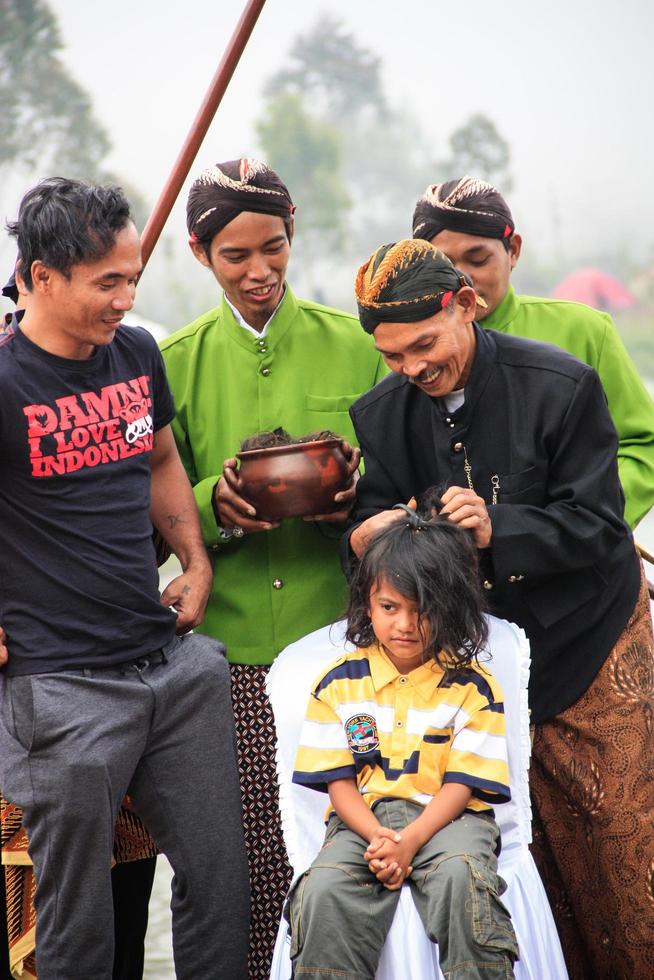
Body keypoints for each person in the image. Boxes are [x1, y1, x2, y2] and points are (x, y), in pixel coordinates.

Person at [342, 238, 654, 980]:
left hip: (591, 650)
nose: (412, 368)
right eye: (392, 356)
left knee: (627, 864)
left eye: (423, 344)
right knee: (518, 867)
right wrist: (361, 535)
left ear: (467, 305)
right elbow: (368, 526)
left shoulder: (561, 384)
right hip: (470, 677)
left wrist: (498, 528)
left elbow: (602, 526)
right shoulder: (381, 415)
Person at [0, 178, 250, 979]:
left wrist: (198, 560)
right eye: (107, 281)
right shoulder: (5, 383)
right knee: (74, 915)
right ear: (41, 277)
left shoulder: (137, 352)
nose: (126, 297)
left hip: (169, 666)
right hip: (61, 688)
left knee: (221, 880)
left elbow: (162, 459)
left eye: (133, 277)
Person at [160, 157, 386, 978]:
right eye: (235, 256)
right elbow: (151, 510)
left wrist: (350, 508)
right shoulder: (172, 365)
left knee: (361, 847)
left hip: (352, 651)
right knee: (256, 859)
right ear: (197, 253)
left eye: (276, 247)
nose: (260, 271)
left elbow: (398, 487)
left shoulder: (356, 348)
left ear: (293, 238)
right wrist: (212, 515)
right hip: (234, 660)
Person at [0, 267, 160, 980]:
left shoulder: (101, 371)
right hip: (30, 699)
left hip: (98, 683)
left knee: (114, 901)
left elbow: (144, 472)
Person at [288, 509, 518, 979]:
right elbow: (339, 785)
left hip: (452, 820)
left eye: (423, 609)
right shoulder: (338, 684)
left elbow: (460, 786)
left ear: (451, 607)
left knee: (463, 880)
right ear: (367, 604)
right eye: (390, 607)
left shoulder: (474, 687)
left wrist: (410, 842)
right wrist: (379, 839)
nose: (405, 624)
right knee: (323, 891)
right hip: (362, 823)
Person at [411, 175, 654, 529]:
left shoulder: (582, 329)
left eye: (478, 259)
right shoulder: (404, 354)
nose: (462, 279)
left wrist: (591, 521)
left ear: (513, 251)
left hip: (576, 562)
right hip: (450, 568)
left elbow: (643, 444)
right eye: (444, 265)